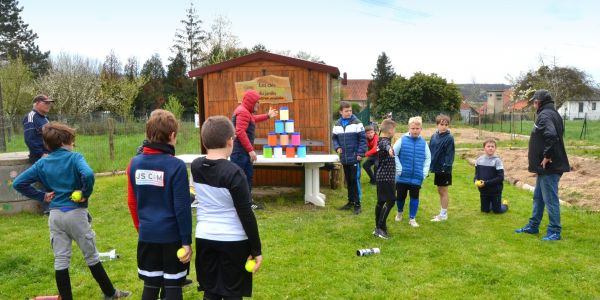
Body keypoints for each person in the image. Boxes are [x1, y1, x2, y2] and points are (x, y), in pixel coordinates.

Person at [13, 122, 130, 300]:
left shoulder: (42, 163)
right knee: (91, 257)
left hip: (55, 216)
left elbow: (18, 183)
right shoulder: (75, 158)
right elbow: (89, 175)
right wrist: (85, 193)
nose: (73, 144)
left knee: (61, 260)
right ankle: (111, 293)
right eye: (71, 140)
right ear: (64, 142)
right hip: (76, 214)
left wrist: (42, 196)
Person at [191, 116, 263, 299]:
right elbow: (246, 214)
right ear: (230, 141)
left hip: (204, 237)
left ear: (204, 141)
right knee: (233, 293)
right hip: (233, 241)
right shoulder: (234, 172)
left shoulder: (196, 166)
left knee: (210, 291)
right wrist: (256, 250)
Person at [127, 109, 192, 300]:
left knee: (151, 284)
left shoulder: (134, 163)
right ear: (172, 136)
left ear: (148, 134)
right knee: (173, 286)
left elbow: (132, 202)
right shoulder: (176, 166)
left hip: (147, 235)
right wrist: (186, 241)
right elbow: (182, 207)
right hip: (172, 238)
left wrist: (142, 229)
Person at [515, 89, 570, 241]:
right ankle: (533, 226)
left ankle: (554, 231)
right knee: (538, 197)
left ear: (540, 101)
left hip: (550, 167)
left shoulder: (545, 115)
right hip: (544, 168)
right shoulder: (552, 113)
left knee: (550, 199)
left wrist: (547, 156)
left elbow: (552, 136)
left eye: (535, 101)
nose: (533, 104)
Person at [231, 89, 278, 210]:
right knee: (240, 178)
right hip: (240, 153)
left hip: (242, 153)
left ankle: (247, 203)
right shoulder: (242, 112)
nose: (259, 104)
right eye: (257, 102)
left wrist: (267, 116)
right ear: (251, 102)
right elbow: (240, 131)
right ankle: (241, 204)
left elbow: (254, 119)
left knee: (246, 177)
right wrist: (250, 150)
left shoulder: (245, 112)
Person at [393, 116, 431, 227]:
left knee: (414, 197)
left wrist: (424, 172)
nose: (415, 130)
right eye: (413, 128)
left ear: (421, 129)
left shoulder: (423, 143)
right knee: (400, 197)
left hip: (416, 177)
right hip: (402, 176)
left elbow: (428, 158)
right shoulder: (402, 140)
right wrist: (399, 169)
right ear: (409, 128)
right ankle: (399, 212)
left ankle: (412, 218)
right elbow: (393, 154)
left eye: (417, 128)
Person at [333, 101, 367, 215]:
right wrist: (337, 147)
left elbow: (363, 140)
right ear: (341, 112)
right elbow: (334, 139)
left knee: (354, 180)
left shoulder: (357, 123)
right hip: (344, 158)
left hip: (354, 157)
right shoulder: (337, 124)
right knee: (348, 181)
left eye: (350, 110)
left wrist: (360, 153)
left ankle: (358, 204)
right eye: (346, 111)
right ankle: (350, 202)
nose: (349, 113)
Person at [23, 94, 54, 214]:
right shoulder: (31, 117)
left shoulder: (45, 118)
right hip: (40, 157)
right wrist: (41, 154)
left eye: (49, 103)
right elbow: (29, 139)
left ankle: (54, 207)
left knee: (50, 182)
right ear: (36, 103)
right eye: (45, 102)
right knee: (44, 183)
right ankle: (47, 210)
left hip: (50, 155)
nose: (48, 105)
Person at [373, 119, 397, 239]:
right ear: (391, 130)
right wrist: (390, 149)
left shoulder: (380, 140)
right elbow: (385, 146)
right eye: (394, 129)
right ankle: (380, 228)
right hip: (386, 177)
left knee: (381, 202)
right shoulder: (384, 141)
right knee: (391, 201)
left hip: (382, 176)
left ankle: (378, 228)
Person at [429, 114, 455, 222]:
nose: (444, 126)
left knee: (443, 191)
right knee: (440, 190)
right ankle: (441, 213)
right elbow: (430, 150)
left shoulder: (449, 138)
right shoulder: (434, 136)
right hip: (437, 168)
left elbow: (450, 154)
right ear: (437, 125)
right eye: (441, 124)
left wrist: (446, 167)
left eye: (446, 124)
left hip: (444, 169)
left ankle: (444, 215)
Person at [474, 138, 508, 214]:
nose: (490, 148)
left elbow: (500, 177)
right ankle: (492, 204)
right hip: (483, 190)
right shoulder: (479, 160)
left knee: (497, 211)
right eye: (488, 146)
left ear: (495, 148)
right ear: (484, 148)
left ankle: (505, 204)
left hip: (495, 191)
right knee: (485, 211)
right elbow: (476, 174)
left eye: (492, 146)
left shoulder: (497, 161)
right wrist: (475, 180)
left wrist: (486, 183)